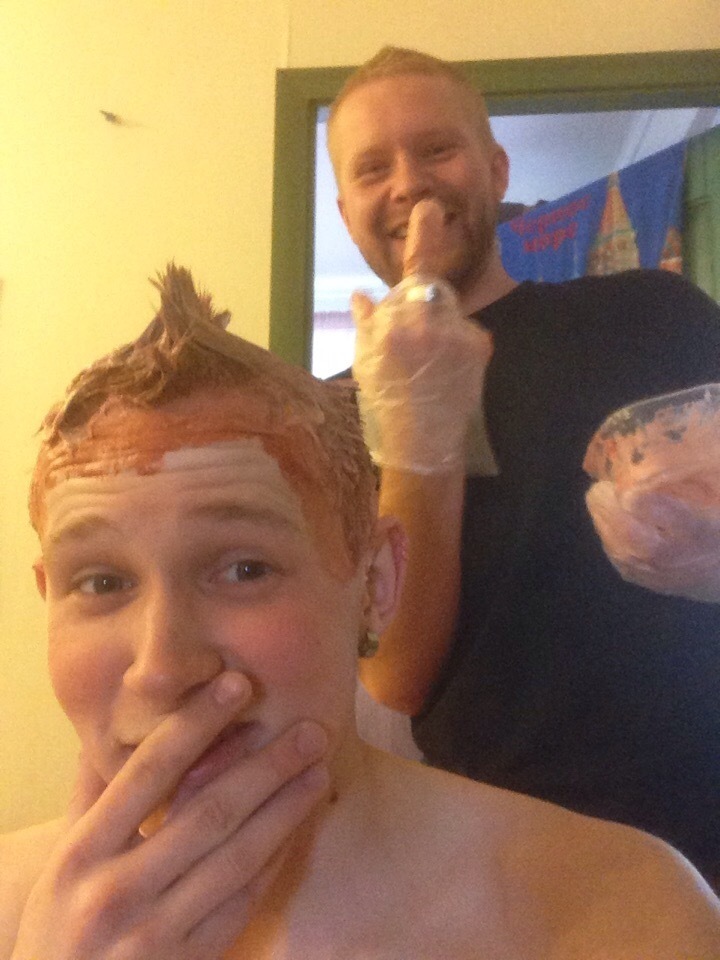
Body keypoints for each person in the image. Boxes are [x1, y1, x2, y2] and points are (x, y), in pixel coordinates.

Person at [3, 265, 720, 959]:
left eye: (245, 570)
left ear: (376, 581)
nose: (162, 669)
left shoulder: (619, 911)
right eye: (100, 583)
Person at [327, 45, 720, 891]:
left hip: (703, 820)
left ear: (496, 169)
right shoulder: (328, 419)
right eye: (372, 168)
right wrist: (416, 419)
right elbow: (396, 675)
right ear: (344, 207)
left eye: (438, 149)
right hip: (494, 859)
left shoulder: (651, 314)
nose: (408, 184)